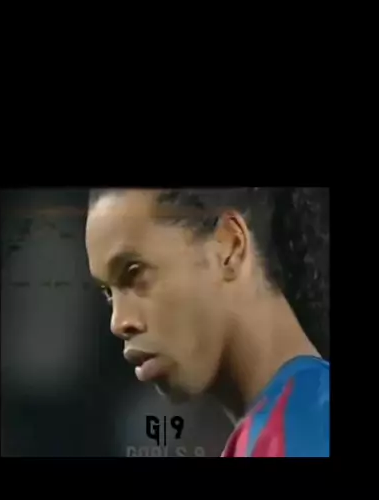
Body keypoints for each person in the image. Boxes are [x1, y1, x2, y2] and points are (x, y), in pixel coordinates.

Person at [85, 187, 329, 457]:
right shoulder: (285, 428)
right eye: (109, 293)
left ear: (229, 245)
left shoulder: (303, 431)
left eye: (134, 273)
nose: (118, 322)